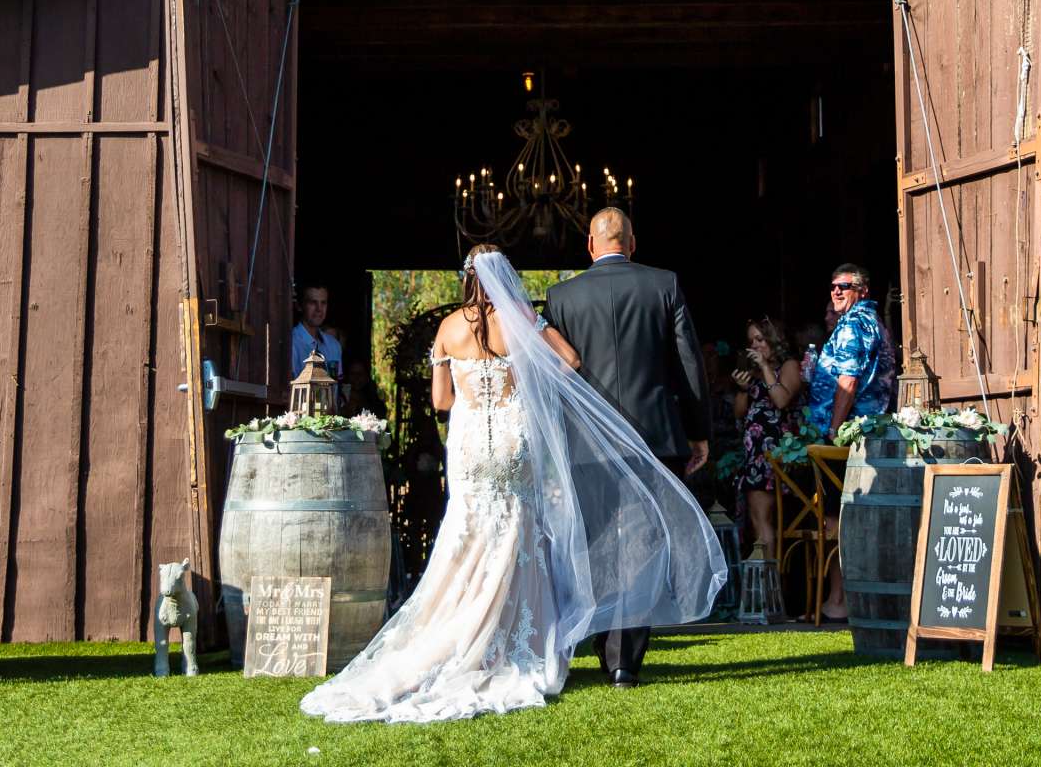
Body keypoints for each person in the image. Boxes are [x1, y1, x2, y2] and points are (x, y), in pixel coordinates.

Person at [300, 243, 724, 724]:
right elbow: (569, 361)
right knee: (515, 535)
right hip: (510, 438)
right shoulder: (519, 317)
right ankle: (511, 639)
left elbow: (442, 402)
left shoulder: (447, 328)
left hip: (468, 448)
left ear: (466, 277)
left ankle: (460, 631)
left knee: (469, 536)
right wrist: (528, 384)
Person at [542, 208, 712, 688]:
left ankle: (604, 642)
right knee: (641, 544)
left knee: (595, 540)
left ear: (591, 246)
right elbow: (689, 364)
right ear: (632, 243)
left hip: (586, 442)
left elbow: (552, 377)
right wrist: (698, 431)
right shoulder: (665, 285)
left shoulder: (562, 296)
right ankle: (624, 660)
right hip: (653, 436)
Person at [802, 262, 896, 620]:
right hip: (862, 437)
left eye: (845, 286)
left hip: (848, 439)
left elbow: (848, 381)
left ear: (863, 291)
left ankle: (838, 602)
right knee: (847, 517)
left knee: (837, 519)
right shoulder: (872, 324)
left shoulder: (855, 325)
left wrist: (834, 429)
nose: (837, 292)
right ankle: (841, 600)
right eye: (833, 287)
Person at [728, 317, 802, 559]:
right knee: (756, 520)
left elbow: (781, 400)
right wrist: (741, 389)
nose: (755, 345)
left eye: (760, 339)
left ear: (773, 338)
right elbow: (739, 413)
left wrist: (766, 369)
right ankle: (767, 583)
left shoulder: (788, 366)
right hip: (755, 454)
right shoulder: (754, 373)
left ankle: (771, 588)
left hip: (777, 453)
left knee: (762, 520)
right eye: (751, 341)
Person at [291, 285, 345, 379]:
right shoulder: (291, 343)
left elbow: (338, 385)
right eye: (313, 302)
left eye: (323, 303)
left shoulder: (334, 345)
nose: (319, 309)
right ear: (299, 306)